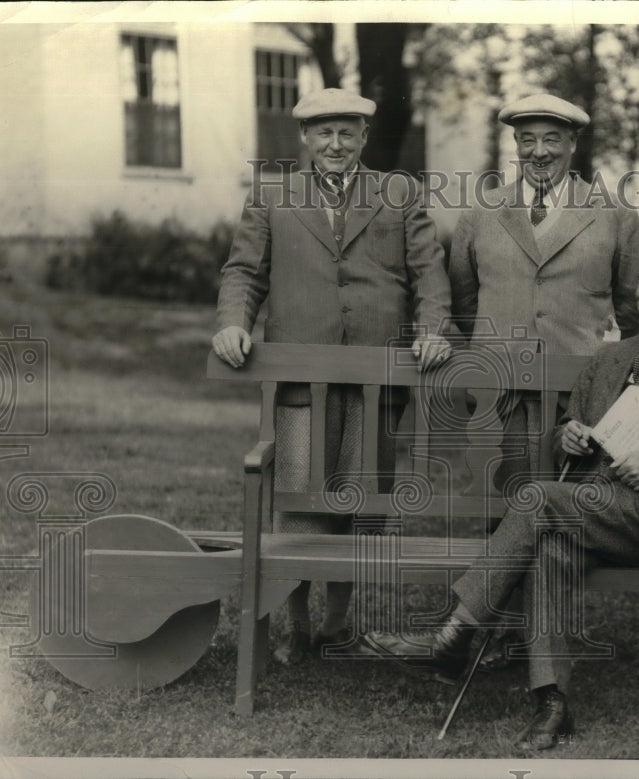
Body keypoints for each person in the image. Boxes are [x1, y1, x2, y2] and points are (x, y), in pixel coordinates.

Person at [359, 243, 639, 750]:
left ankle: (455, 634)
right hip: (593, 513)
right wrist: (567, 434)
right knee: (550, 549)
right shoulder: (612, 358)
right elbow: (566, 429)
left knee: (540, 499)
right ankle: (553, 703)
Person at [213, 88, 452, 662]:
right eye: (324, 133)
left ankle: (338, 622)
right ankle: (296, 618)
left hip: (377, 376)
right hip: (300, 377)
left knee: (359, 501)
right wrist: (231, 324)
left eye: (347, 133)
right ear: (305, 138)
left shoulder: (399, 193)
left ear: (364, 137)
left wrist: (434, 328)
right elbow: (244, 270)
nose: (336, 144)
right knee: (299, 499)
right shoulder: (273, 195)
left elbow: (429, 272)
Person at [445, 93, 639, 669]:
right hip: (499, 392)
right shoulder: (481, 213)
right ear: (514, 146)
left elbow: (635, 313)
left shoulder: (612, 215)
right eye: (527, 140)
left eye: (551, 140)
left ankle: (536, 640)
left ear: (572, 146)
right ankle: (496, 631)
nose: (538, 152)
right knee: (502, 501)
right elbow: (463, 300)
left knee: (559, 510)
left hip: (577, 398)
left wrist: (611, 377)